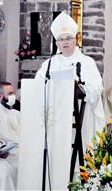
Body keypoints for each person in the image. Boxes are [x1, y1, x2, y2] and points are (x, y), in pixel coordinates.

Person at [35, 11, 105, 157]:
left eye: (68, 38)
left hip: (80, 116)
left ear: (75, 40)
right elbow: (37, 87)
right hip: (56, 116)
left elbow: (97, 88)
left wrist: (81, 89)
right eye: (61, 39)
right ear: (56, 43)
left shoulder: (87, 62)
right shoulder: (49, 64)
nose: (65, 42)